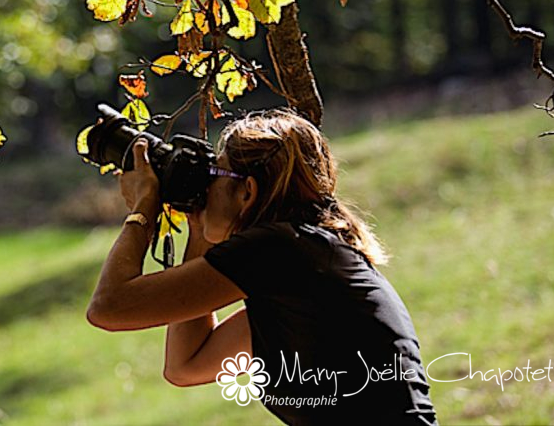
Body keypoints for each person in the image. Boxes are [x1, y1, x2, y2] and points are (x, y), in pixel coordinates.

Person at [85, 108, 438, 425]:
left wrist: (143, 207)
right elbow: (186, 364)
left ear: (247, 192)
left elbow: (109, 308)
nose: (208, 184)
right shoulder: (303, 265)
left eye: (216, 173)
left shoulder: (281, 248)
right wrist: (200, 230)